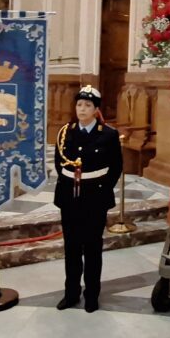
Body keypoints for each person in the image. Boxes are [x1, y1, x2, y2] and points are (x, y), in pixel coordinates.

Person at [53, 85, 123, 313]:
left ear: (96, 110)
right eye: (79, 105)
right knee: (71, 248)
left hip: (95, 197)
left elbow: (116, 167)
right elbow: (59, 163)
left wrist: (101, 189)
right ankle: (71, 293)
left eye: (87, 106)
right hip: (69, 197)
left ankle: (92, 295)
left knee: (92, 248)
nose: (82, 109)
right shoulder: (65, 132)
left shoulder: (108, 135)